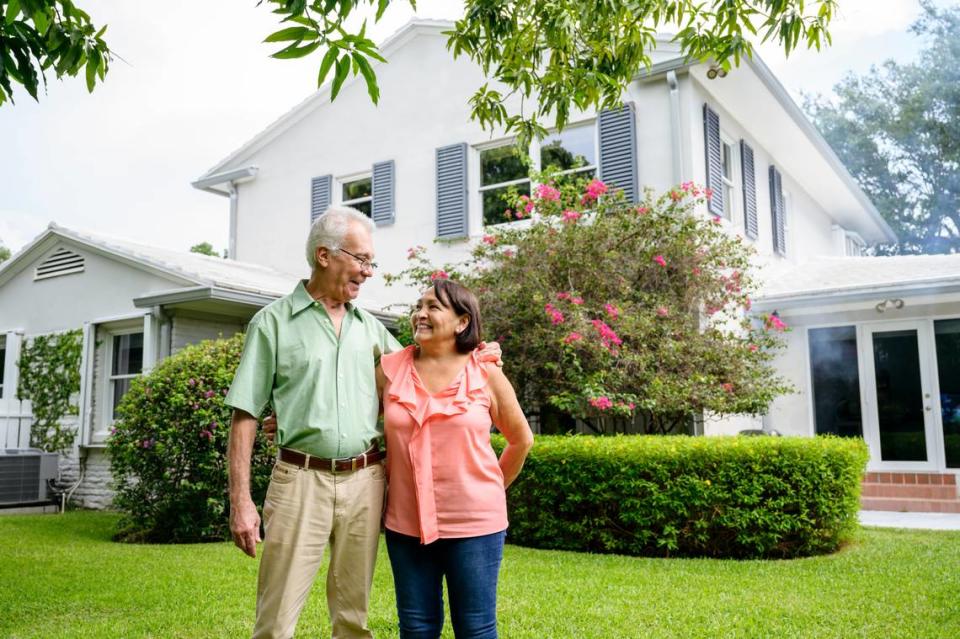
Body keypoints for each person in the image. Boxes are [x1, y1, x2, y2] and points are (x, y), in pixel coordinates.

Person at [227, 207, 500, 639]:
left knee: (354, 618)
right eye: (361, 260)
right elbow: (244, 414)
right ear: (324, 256)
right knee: (276, 620)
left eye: (371, 262)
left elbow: (427, 368)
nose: (368, 272)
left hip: (366, 483)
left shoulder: (372, 329)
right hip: (300, 480)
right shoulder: (273, 323)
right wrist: (241, 501)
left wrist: (478, 354)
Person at [377, 279, 533, 639]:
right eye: (419, 305)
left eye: (433, 306)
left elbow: (521, 440)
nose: (421, 313)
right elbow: (348, 416)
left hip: (476, 527)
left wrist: (491, 487)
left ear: (462, 321)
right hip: (406, 525)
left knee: (475, 629)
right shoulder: (389, 370)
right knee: (416, 627)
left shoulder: (486, 372)